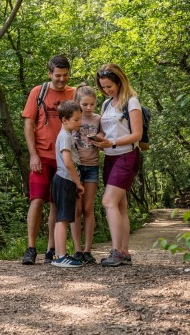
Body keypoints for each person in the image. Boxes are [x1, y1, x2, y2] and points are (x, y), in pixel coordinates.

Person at [21, 55, 75, 265]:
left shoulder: (73, 94)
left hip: (63, 158)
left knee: (56, 203)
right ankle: (31, 248)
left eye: (65, 75)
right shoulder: (38, 92)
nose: (61, 79)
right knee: (37, 200)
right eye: (57, 75)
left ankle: (51, 249)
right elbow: (28, 124)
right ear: (49, 73)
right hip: (41, 156)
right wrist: (33, 154)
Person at [91, 63, 143, 267]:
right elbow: (107, 130)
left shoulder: (131, 102)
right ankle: (124, 252)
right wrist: (99, 138)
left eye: (109, 86)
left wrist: (111, 142)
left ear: (119, 82)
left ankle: (116, 251)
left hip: (127, 156)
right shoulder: (105, 104)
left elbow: (136, 134)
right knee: (120, 206)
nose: (106, 90)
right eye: (103, 87)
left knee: (108, 202)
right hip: (110, 157)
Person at [51, 100, 85, 267]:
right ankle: (62, 256)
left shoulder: (65, 135)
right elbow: (68, 161)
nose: (80, 123)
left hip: (61, 179)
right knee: (64, 219)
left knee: (61, 219)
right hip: (66, 180)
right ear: (65, 120)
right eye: (76, 120)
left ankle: (59, 255)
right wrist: (78, 183)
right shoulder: (65, 136)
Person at [71, 83, 102, 264]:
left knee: (88, 208)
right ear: (77, 103)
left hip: (92, 166)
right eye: (85, 105)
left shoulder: (98, 119)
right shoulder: (74, 119)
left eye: (92, 104)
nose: (89, 108)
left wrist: (101, 139)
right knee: (77, 209)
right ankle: (77, 249)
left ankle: (88, 250)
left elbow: (105, 135)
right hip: (76, 167)